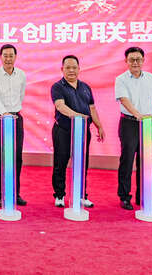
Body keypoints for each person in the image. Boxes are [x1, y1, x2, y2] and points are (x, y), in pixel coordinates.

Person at [51, 55, 105, 208]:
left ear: (79, 69)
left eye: (74, 67)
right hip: (63, 131)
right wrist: (78, 116)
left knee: (82, 163)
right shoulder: (57, 87)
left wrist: (99, 125)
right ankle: (59, 195)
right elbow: (60, 106)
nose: (71, 70)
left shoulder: (85, 87)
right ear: (62, 69)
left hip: (82, 132)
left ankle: (81, 195)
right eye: (68, 67)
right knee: (60, 163)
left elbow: (92, 108)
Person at [114, 46, 152, 210]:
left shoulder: (151, 78)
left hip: (147, 124)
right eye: (132, 60)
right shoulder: (121, 79)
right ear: (126, 61)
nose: (135, 62)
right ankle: (124, 196)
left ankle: (142, 195)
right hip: (129, 123)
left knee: (145, 162)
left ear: (143, 61)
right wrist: (137, 115)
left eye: (138, 59)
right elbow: (124, 100)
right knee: (127, 161)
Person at [0, 44, 27, 207]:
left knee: (17, 156)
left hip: (16, 118)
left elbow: (21, 96)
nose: (8, 59)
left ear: (15, 57)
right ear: (0, 57)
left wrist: (13, 113)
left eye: (11, 56)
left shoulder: (21, 75)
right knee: (0, 156)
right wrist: (5, 113)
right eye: (5, 55)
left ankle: (15, 193)